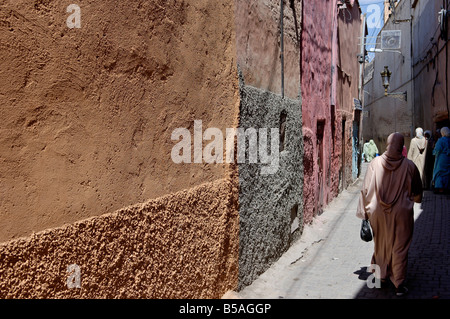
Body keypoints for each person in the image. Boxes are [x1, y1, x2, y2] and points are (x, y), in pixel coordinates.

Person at [356, 132, 423, 296]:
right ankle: (399, 284)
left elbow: (365, 190)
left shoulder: (375, 163)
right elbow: (417, 192)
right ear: (401, 146)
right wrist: (413, 198)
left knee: (381, 246)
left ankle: (380, 278)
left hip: (378, 213)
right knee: (400, 247)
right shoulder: (409, 166)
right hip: (401, 214)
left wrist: (364, 214)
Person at [432, 127, 450, 193]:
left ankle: (440, 188)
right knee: (447, 172)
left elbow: (437, 150)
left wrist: (434, 152)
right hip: (448, 158)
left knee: (439, 172)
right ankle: (446, 187)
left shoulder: (441, 140)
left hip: (441, 159)